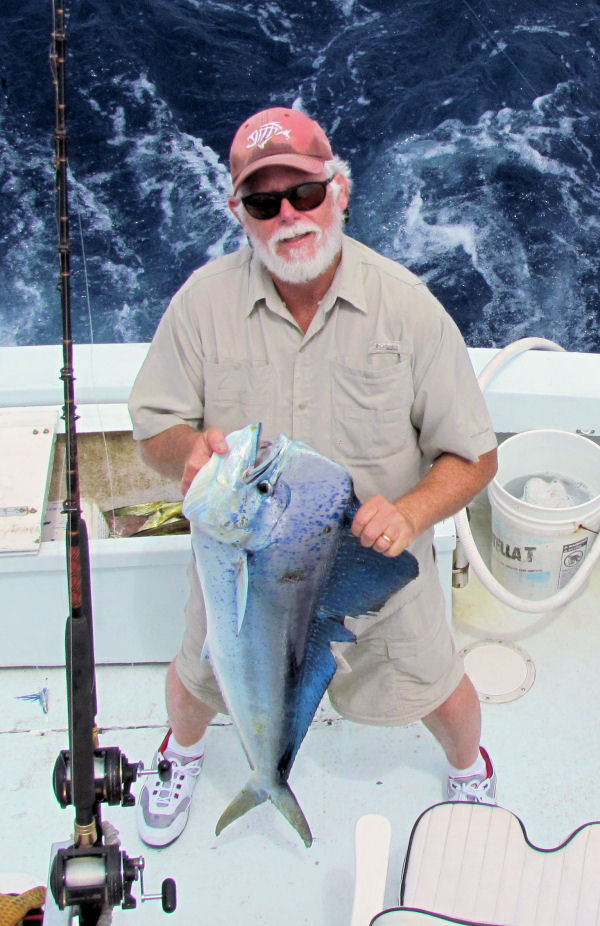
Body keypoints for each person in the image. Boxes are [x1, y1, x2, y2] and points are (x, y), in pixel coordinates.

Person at [128, 106, 499, 848]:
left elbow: (475, 455)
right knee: (198, 676)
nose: (288, 217)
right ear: (240, 213)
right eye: (264, 203)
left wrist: (414, 513)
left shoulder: (408, 308)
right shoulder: (201, 303)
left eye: (304, 193)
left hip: (374, 562)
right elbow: (154, 427)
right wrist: (185, 452)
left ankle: (469, 768)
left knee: (437, 685)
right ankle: (183, 754)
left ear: (341, 190)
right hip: (245, 569)